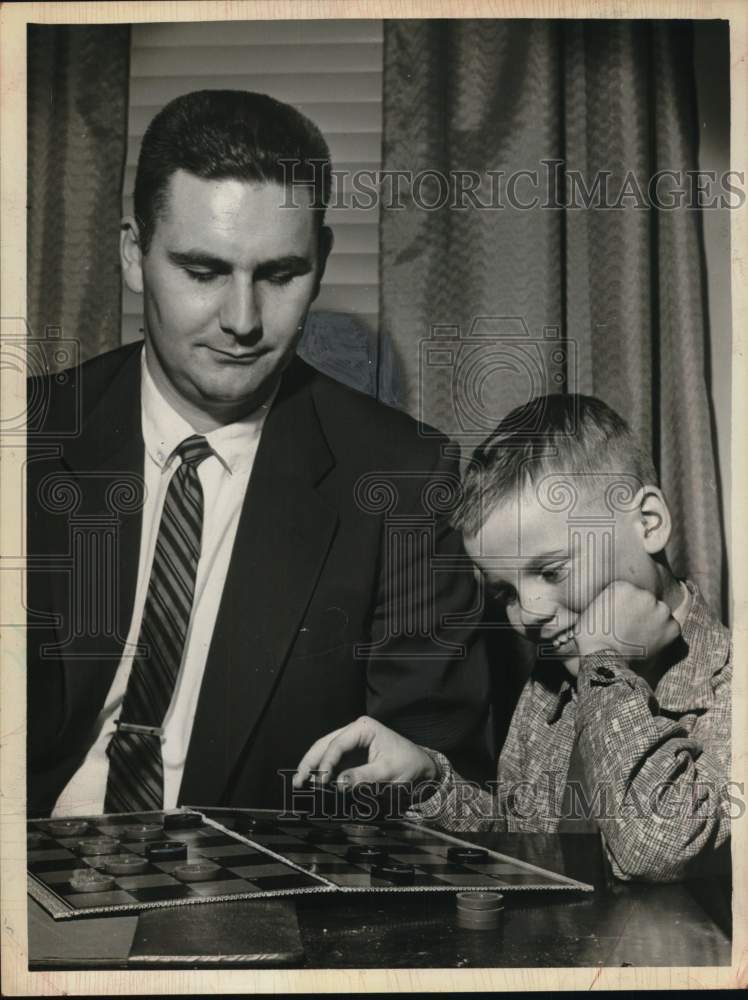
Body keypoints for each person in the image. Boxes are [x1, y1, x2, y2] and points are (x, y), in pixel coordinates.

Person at [26, 89, 491, 818]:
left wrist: (425, 771)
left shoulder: (402, 477)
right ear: (131, 253)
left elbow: (434, 755)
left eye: (279, 275)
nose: (242, 321)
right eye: (203, 271)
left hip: (257, 901)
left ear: (322, 260)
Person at [294, 394, 732, 882]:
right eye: (505, 591)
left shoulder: (731, 688)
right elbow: (527, 848)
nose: (530, 613)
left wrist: (607, 662)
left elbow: (657, 848)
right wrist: (430, 782)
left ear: (649, 523)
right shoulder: (551, 685)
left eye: (551, 570)